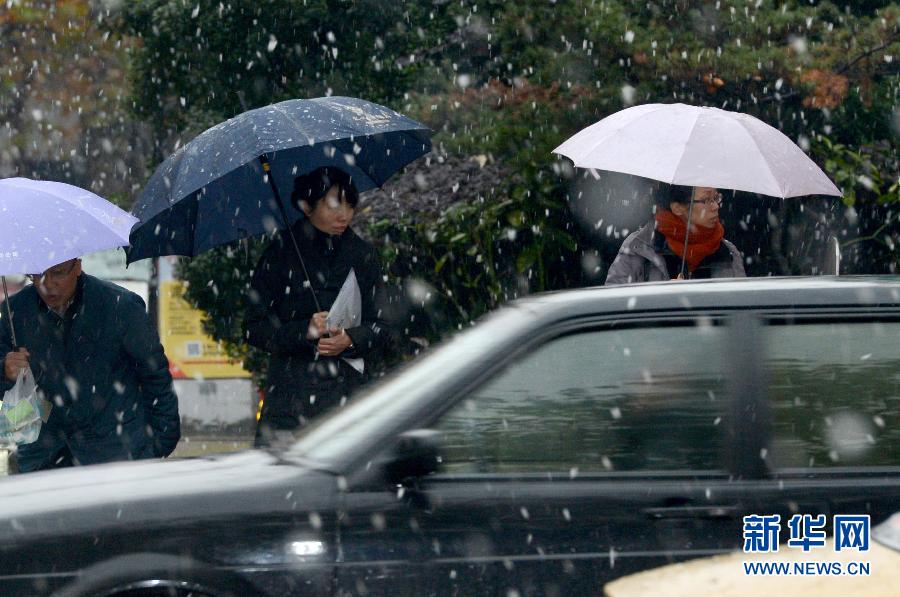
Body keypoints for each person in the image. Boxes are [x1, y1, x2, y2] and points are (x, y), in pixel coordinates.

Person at [245, 167, 393, 446]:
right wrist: (305, 330)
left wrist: (351, 339)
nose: (345, 215)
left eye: (350, 205)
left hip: (348, 400)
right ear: (309, 204)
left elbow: (383, 325)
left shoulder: (362, 255)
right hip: (290, 402)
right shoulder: (280, 254)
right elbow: (254, 328)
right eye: (335, 204)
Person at [0, 258, 181, 472]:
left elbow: (156, 377)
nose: (47, 284)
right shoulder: (16, 311)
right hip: (43, 459)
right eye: (37, 275)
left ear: (77, 266)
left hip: (115, 455)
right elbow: (10, 391)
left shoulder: (120, 305)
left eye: (57, 273)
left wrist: (158, 446)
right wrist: (6, 371)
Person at [605, 185, 746, 284]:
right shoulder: (640, 246)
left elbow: (741, 314)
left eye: (716, 198)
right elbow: (612, 307)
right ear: (678, 208)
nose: (716, 206)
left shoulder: (728, 252)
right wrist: (664, 299)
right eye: (706, 200)